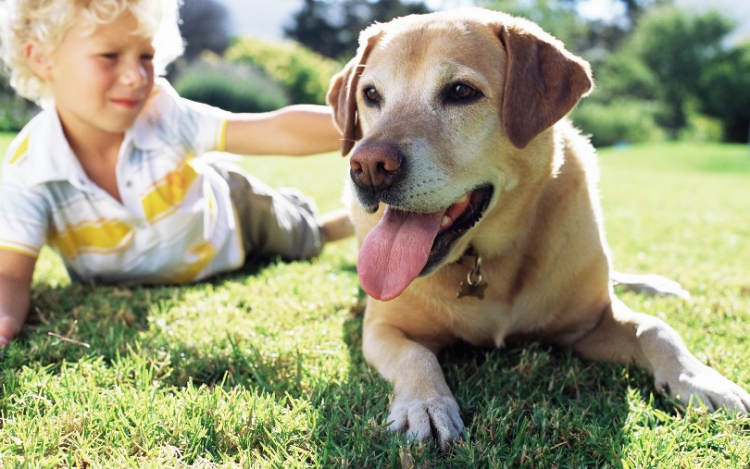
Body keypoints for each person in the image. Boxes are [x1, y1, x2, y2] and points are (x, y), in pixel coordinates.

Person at [0, 0, 354, 345]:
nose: (135, 75)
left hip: (234, 215)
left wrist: (367, 125)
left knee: (301, 238)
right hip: (177, 246)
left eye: (146, 56)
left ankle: (330, 224)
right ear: (42, 59)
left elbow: (273, 130)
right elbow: (9, 274)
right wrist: (5, 320)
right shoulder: (29, 168)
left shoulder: (163, 112)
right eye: (109, 56)